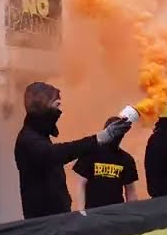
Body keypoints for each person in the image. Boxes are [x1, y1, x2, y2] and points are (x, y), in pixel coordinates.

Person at [15, 81, 131, 219]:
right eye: (56, 105)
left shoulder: (38, 136)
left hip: (55, 219)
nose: (59, 112)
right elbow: (54, 154)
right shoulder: (28, 139)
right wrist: (98, 139)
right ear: (43, 106)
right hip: (44, 224)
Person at [73, 116, 140, 209]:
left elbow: (131, 191)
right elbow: (81, 184)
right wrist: (81, 210)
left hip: (117, 213)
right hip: (93, 212)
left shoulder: (127, 159)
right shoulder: (91, 153)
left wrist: (133, 213)